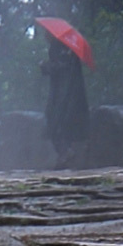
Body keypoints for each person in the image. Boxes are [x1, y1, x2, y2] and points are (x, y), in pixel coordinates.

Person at [38, 16, 91, 149]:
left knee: (57, 121)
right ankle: (65, 152)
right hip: (65, 92)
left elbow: (62, 67)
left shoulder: (61, 48)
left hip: (66, 93)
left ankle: (66, 152)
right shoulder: (61, 48)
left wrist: (46, 66)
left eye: (46, 33)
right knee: (58, 121)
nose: (45, 35)